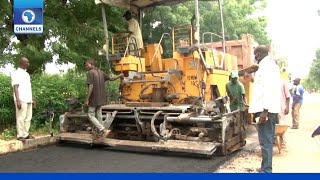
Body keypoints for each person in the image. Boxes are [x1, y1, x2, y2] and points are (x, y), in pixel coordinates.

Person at [248, 45, 281, 173]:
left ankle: (267, 171)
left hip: (265, 109)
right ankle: (264, 167)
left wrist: (265, 111)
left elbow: (268, 89)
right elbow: (262, 87)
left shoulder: (266, 67)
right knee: (266, 140)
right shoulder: (270, 66)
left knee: (265, 141)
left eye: (255, 54)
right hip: (268, 108)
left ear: (260, 54)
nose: (255, 57)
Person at [85, 59, 123, 139]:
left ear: (91, 64)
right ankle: (101, 133)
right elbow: (111, 78)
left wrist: (87, 98)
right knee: (99, 114)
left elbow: (91, 86)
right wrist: (119, 76)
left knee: (90, 114)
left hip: (94, 98)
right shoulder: (101, 72)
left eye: (87, 65)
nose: (86, 67)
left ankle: (103, 130)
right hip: (102, 98)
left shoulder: (90, 73)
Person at [11, 57, 35, 141]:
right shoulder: (16, 73)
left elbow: (28, 88)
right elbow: (15, 87)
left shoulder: (27, 74)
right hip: (21, 99)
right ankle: (20, 135)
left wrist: (32, 99)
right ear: (22, 63)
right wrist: (18, 100)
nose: (28, 64)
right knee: (21, 117)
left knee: (28, 118)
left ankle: (25, 134)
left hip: (28, 99)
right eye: (27, 62)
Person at [277, 78, 291, 147]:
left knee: (281, 125)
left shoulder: (283, 82)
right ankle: (275, 142)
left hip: (281, 107)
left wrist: (287, 107)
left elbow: (288, 96)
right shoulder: (269, 81)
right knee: (273, 126)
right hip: (271, 108)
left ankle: (283, 142)